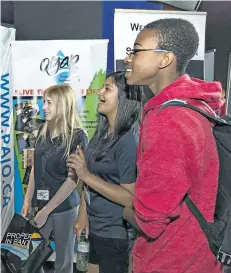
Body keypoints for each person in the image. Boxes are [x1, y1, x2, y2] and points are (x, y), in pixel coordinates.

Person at [123, 18, 224, 273]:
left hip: (171, 261)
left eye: (136, 50)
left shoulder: (167, 120)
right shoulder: (194, 106)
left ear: (164, 59)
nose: (128, 59)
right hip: (198, 256)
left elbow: (151, 221)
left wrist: (127, 211)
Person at [67, 71, 142, 273]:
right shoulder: (100, 135)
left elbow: (130, 199)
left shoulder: (128, 141)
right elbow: (88, 179)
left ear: (124, 98)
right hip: (94, 228)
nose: (99, 92)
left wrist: (86, 175)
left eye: (107, 89)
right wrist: (83, 216)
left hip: (115, 235)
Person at [21, 84, 88, 273]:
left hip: (64, 208)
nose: (44, 107)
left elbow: (72, 180)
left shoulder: (78, 136)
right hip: (38, 205)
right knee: (32, 257)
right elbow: (36, 167)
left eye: (49, 102)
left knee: (63, 262)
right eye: (44, 101)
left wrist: (47, 211)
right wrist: (28, 200)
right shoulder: (43, 132)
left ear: (63, 104)